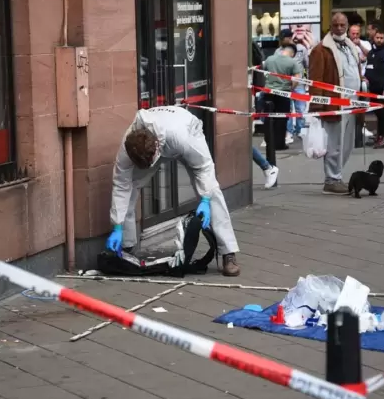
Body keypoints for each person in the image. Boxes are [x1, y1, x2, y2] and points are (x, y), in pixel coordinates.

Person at [106, 106, 241, 276]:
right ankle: (127, 248)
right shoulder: (127, 150)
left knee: (213, 192)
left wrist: (205, 199)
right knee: (130, 186)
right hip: (158, 142)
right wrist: (117, 225)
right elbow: (121, 185)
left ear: (156, 149)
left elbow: (204, 167)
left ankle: (228, 252)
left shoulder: (181, 138)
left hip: (185, 130)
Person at [308, 12, 360, 195]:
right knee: (334, 143)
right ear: (330, 26)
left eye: (342, 25)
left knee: (347, 144)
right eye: (335, 25)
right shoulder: (320, 50)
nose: (339, 28)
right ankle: (332, 179)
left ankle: (336, 176)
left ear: (347, 25)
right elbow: (315, 80)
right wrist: (317, 107)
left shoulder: (350, 45)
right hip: (333, 104)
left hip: (351, 103)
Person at [262, 44, 303, 148]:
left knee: (269, 118)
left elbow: (263, 72)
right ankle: (279, 144)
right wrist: (291, 88)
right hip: (283, 93)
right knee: (281, 119)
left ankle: (268, 142)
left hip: (268, 92)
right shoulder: (292, 62)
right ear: (292, 54)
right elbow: (297, 78)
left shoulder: (269, 59)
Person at [364, 27, 384, 149]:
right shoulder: (371, 53)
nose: (379, 40)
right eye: (377, 38)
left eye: (381, 38)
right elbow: (368, 67)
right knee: (378, 113)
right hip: (372, 90)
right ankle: (380, 136)